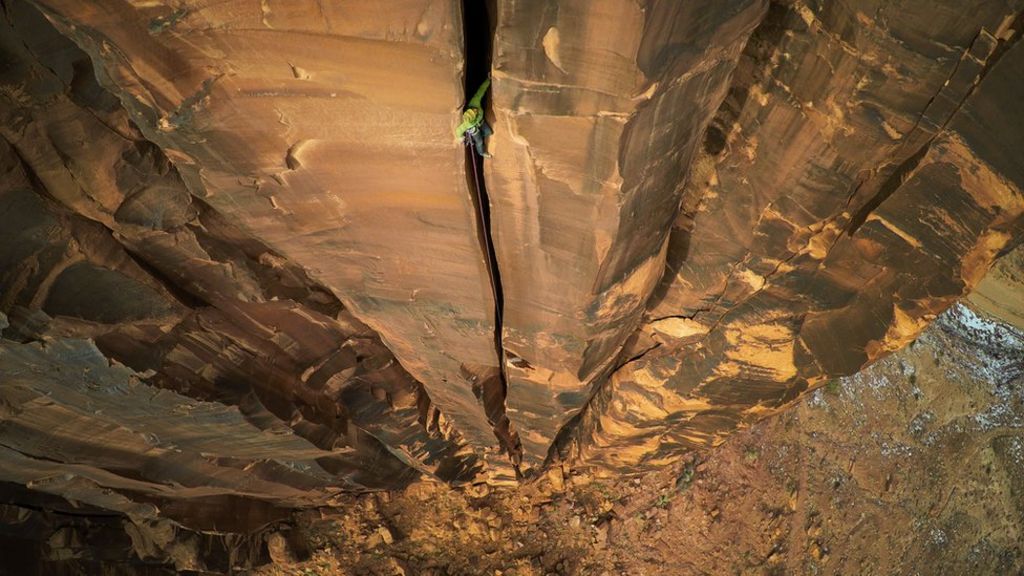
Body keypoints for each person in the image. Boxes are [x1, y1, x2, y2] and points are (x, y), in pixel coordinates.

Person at [456, 78, 492, 158]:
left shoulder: (474, 102)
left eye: (473, 110)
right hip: (474, 129)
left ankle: (475, 139)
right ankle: (481, 153)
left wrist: (488, 80)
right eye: (474, 112)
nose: (475, 110)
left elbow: (480, 91)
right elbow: (458, 131)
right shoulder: (466, 124)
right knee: (479, 142)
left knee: (489, 132)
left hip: (481, 122)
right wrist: (460, 138)